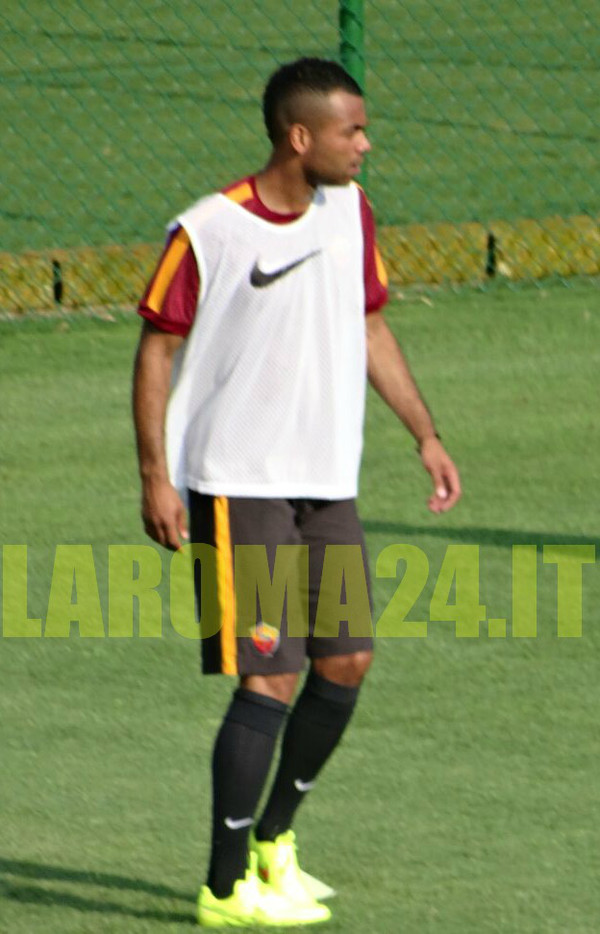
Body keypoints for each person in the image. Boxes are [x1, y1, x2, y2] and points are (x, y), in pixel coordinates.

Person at [132, 57, 461, 928]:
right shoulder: (209, 230)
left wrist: (425, 433)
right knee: (270, 675)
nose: (365, 145)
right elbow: (157, 349)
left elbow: (369, 324)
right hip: (238, 484)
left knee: (346, 661)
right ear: (300, 136)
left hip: (325, 481)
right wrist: (156, 476)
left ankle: (274, 844)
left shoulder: (352, 211)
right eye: (353, 131)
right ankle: (223, 887)